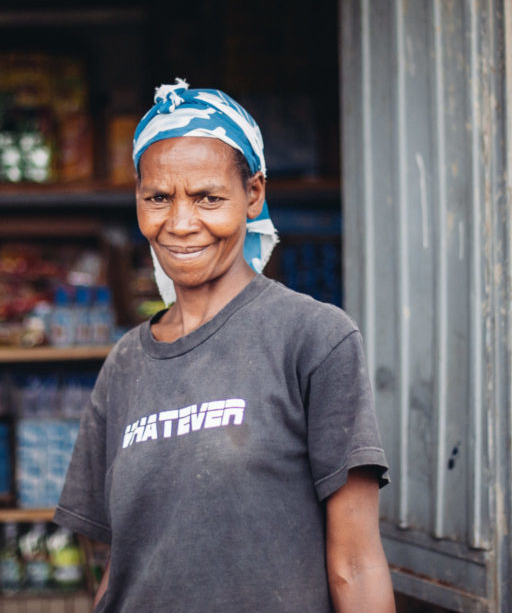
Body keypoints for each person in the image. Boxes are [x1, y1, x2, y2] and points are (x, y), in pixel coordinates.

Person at [53, 80, 393, 612]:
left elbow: (356, 563)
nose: (181, 223)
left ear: (253, 194)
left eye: (208, 198)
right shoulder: (125, 365)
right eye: (158, 198)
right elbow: (124, 567)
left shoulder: (313, 338)